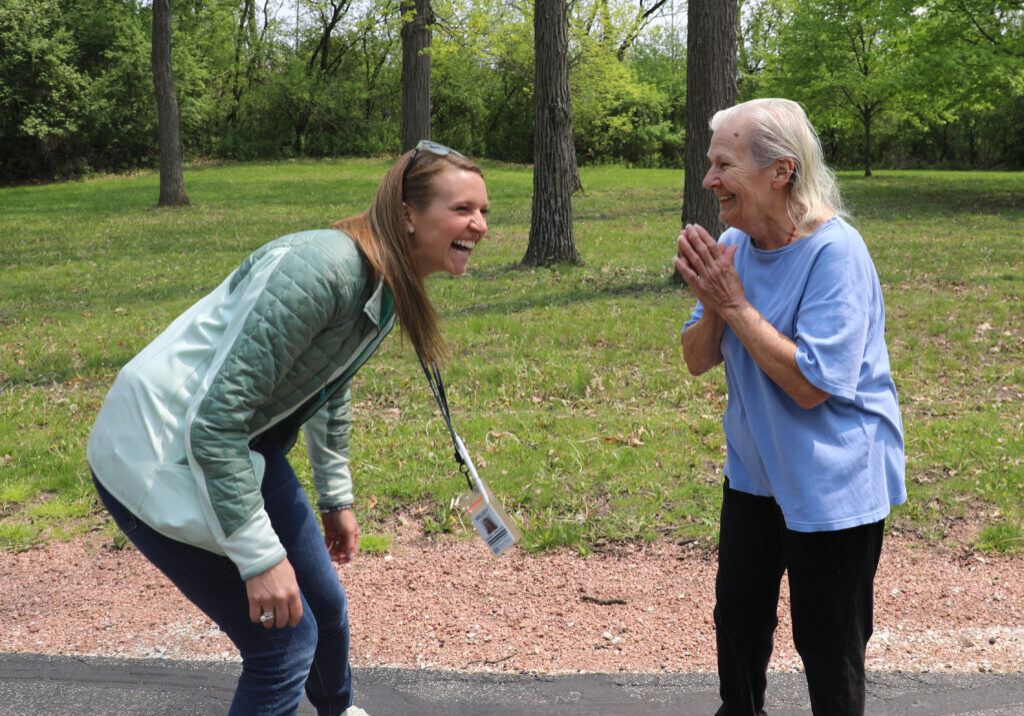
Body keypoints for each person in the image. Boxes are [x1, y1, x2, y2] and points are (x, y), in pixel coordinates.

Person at [87, 140, 489, 716]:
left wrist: (336, 497)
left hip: (238, 444)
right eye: (462, 209)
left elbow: (328, 384)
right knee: (282, 640)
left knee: (322, 604)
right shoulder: (323, 268)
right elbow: (213, 423)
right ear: (407, 214)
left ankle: (339, 710)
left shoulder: (384, 281)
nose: (478, 224)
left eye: (484, 212)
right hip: (156, 450)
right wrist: (259, 559)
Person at [674, 98, 906, 715]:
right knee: (739, 627)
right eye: (710, 163)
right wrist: (714, 302)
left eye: (724, 164)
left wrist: (734, 304)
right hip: (755, 472)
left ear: (781, 171)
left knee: (828, 647)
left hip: (833, 484)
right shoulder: (733, 243)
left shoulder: (837, 253)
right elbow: (698, 358)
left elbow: (812, 384)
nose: (709, 180)